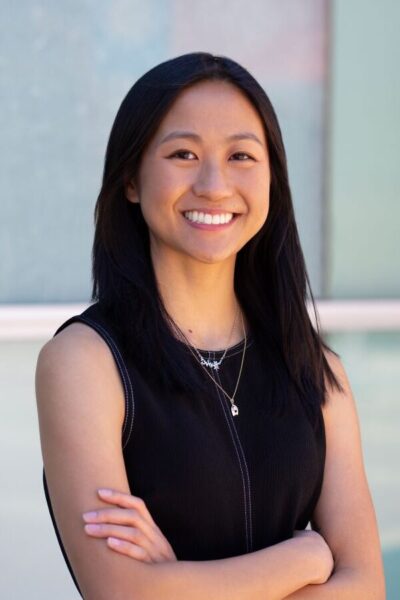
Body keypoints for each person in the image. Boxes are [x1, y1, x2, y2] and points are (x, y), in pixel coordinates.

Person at [35, 52, 385, 599]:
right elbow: (121, 593)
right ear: (130, 178)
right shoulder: (84, 363)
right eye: (183, 153)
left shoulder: (318, 375)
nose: (214, 184)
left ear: (272, 177)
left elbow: (366, 587)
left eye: (242, 155)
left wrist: (179, 583)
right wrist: (307, 556)